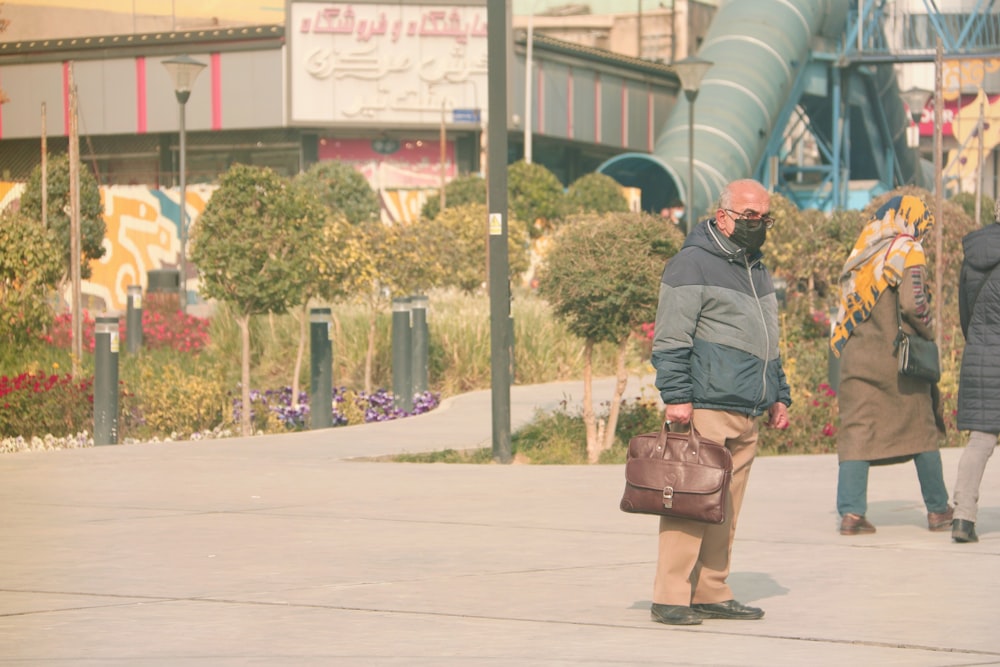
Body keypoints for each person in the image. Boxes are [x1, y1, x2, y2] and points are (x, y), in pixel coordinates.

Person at [649, 178, 791, 626]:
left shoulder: (756, 266)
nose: (759, 224)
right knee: (691, 502)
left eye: (765, 217)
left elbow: (768, 338)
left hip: (747, 409)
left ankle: (711, 589)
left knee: (724, 509)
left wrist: (778, 394)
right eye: (751, 216)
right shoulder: (691, 264)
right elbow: (671, 337)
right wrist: (676, 397)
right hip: (706, 406)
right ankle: (670, 596)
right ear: (723, 215)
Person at [829, 195, 952, 536]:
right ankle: (939, 510)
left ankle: (851, 515)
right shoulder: (907, 249)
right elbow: (915, 305)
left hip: (856, 358)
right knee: (922, 428)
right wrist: (929, 331)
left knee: (856, 432)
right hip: (895, 361)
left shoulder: (862, 251)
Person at [951, 203, 1000, 543]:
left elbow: (964, 313)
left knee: (980, 441)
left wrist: (980, 343)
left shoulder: (973, 251)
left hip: (981, 353)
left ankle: (962, 519)